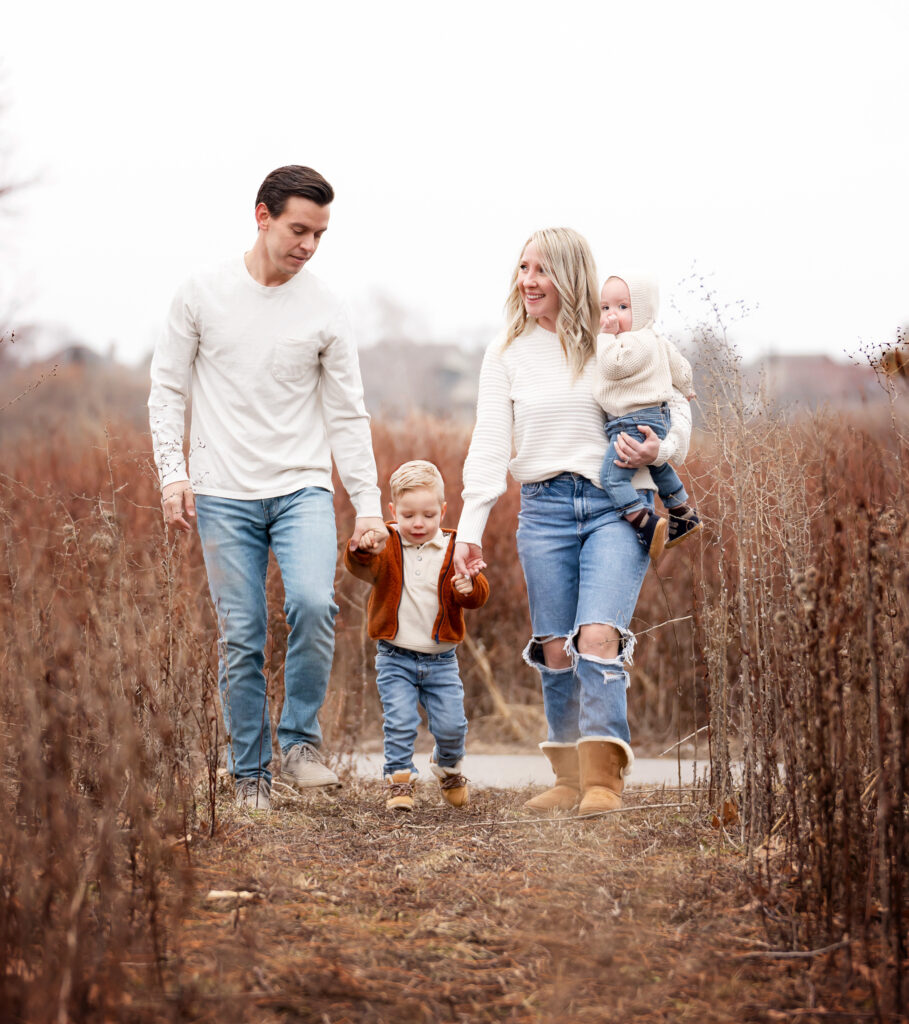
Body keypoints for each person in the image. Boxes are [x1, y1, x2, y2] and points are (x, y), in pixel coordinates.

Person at [148, 165, 387, 812]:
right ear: (262, 216)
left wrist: (368, 505)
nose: (308, 245)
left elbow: (346, 411)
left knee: (312, 604)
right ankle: (249, 772)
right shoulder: (200, 294)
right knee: (243, 631)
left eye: (320, 234)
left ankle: (300, 745)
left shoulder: (325, 307)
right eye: (298, 229)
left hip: (301, 487)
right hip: (222, 492)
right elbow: (168, 387)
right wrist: (173, 473)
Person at [454, 228, 691, 815]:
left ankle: (602, 782)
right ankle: (565, 778)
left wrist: (660, 451)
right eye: (523, 268)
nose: (528, 281)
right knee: (556, 646)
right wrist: (468, 529)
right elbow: (489, 444)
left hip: (617, 506)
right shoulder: (505, 351)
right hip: (543, 509)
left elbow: (676, 402)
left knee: (596, 636)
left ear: (570, 276)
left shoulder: (615, 343)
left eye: (542, 270)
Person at [344, 461, 489, 812]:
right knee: (400, 722)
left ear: (442, 510)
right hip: (395, 657)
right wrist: (363, 547)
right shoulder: (388, 544)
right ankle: (399, 781)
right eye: (408, 516)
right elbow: (360, 564)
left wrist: (466, 586)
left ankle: (448, 767)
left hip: (441, 660)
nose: (418, 523)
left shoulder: (455, 546)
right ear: (393, 512)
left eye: (427, 514)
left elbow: (478, 595)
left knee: (452, 725)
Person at [595, 271, 702, 560]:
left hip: (632, 419)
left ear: (642, 311)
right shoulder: (658, 340)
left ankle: (643, 522)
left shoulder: (634, 341)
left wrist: (604, 338)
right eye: (605, 308)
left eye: (622, 307)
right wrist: (687, 387)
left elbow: (613, 368)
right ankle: (681, 510)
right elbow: (680, 366)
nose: (611, 316)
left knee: (611, 477)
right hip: (655, 417)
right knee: (654, 464)